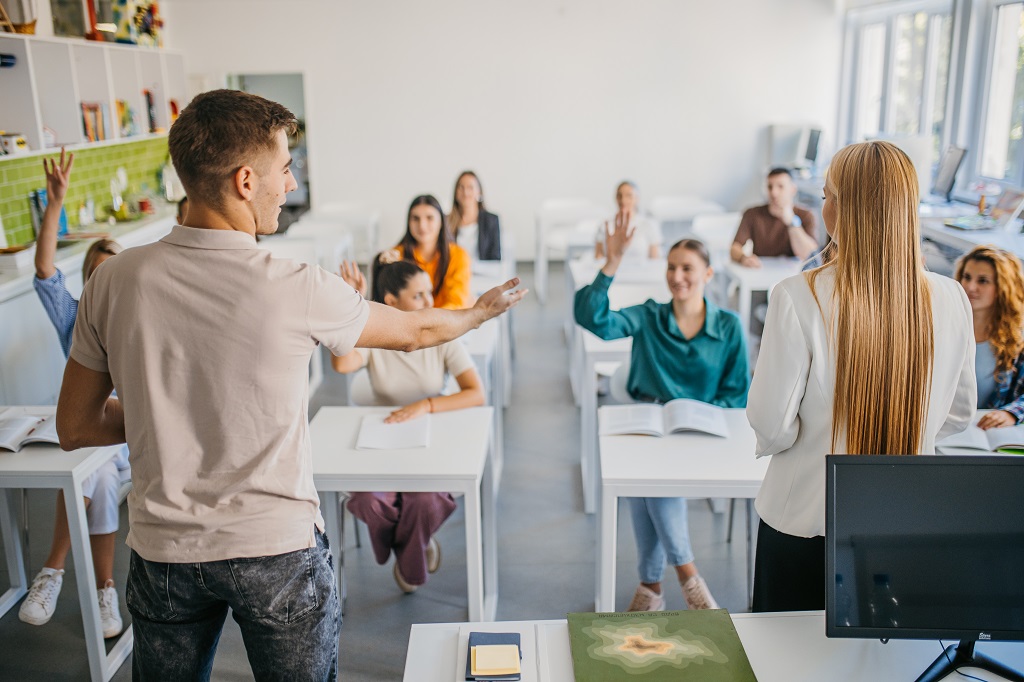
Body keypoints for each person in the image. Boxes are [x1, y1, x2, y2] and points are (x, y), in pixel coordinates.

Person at [55, 89, 524, 680]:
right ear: (247, 181)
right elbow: (413, 330)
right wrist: (477, 314)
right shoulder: (298, 284)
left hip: (163, 554)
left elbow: (74, 427)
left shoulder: (112, 281)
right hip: (275, 551)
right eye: (285, 168)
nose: (292, 183)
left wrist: (164, 413)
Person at [747, 141, 976, 613]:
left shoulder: (798, 296)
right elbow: (957, 414)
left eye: (827, 195)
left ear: (844, 210)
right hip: (902, 522)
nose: (822, 206)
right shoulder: (952, 298)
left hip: (803, 520)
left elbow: (771, 424)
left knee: (786, 660)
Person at [575, 211, 749, 612]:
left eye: (687, 268)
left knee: (646, 483)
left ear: (708, 275)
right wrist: (611, 264)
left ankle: (652, 585)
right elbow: (593, 319)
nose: (677, 276)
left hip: (703, 432)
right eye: (671, 268)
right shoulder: (651, 315)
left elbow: (737, 394)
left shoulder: (729, 326)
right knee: (649, 476)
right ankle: (687, 576)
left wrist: (702, 415)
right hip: (648, 424)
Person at [331, 255, 484, 592]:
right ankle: (418, 545)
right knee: (369, 500)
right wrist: (350, 306)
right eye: (419, 296)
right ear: (391, 302)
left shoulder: (444, 335)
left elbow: (476, 393)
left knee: (424, 501)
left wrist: (425, 405)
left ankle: (407, 553)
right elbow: (342, 365)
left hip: (428, 439)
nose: (430, 303)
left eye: (430, 293)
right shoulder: (376, 335)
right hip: (379, 441)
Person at [22, 147, 125, 638]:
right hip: (87, 440)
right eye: (95, 274)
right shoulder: (74, 316)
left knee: (95, 467)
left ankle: (51, 570)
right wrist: (55, 204)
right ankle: (105, 591)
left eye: (112, 273)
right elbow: (44, 270)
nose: (103, 282)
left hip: (124, 436)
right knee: (97, 478)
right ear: (87, 281)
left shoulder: (138, 317)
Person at [955, 245, 1024, 428]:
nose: (970, 287)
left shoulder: (1018, 340)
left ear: (1003, 288)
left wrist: (1010, 413)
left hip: (986, 433)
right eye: (966, 277)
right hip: (942, 428)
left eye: (983, 281)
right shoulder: (944, 326)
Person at [730, 168, 818, 268]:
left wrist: (791, 222)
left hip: (792, 275)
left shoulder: (807, 216)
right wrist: (744, 258)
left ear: (793, 189)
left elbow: (809, 255)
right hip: (761, 271)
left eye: (780, 186)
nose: (774, 193)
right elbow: (734, 248)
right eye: (769, 187)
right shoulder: (752, 214)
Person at [396, 195, 472, 309]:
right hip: (410, 324)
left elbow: (457, 303)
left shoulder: (458, 255)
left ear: (441, 221)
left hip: (448, 322)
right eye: (415, 218)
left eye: (429, 218)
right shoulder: (396, 256)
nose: (422, 225)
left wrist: (432, 323)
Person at [594, 181, 661, 261]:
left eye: (628, 196)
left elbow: (655, 260)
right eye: (619, 196)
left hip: (641, 272)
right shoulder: (605, 225)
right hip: (612, 271)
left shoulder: (648, 225)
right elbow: (598, 258)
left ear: (637, 198)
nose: (623, 200)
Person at [447, 170, 501, 262]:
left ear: (479, 192)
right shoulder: (446, 220)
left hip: (484, 274)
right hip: (456, 274)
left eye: (470, 187)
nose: (465, 192)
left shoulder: (491, 220)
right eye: (461, 187)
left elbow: (495, 258)